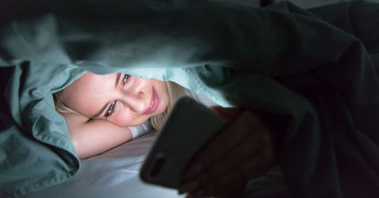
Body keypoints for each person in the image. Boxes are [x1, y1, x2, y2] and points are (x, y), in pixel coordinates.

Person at [53, 71, 285, 197]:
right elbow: (74, 139)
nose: (137, 102)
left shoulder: (197, 75)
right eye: (111, 108)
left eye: (125, 78)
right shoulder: (151, 116)